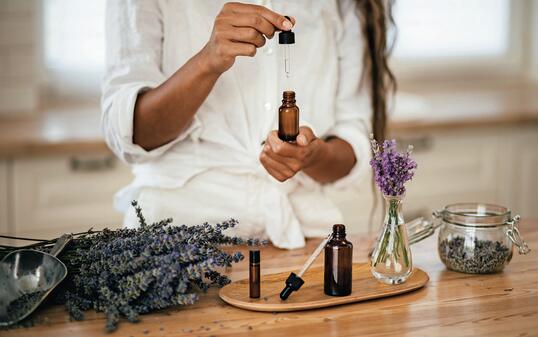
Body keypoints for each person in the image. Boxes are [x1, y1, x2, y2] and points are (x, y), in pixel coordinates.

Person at [102, 1, 395, 249]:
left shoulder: (346, 6)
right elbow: (132, 132)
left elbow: (353, 141)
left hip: (300, 235)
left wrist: (312, 155)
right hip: (175, 237)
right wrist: (208, 60)